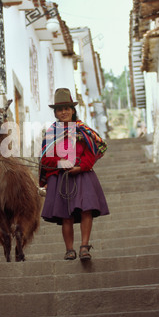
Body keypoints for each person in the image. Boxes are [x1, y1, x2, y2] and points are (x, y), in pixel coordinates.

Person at [40, 88, 110, 261]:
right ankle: (69, 249)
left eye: (67, 108)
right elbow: (45, 159)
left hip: (82, 175)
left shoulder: (82, 130)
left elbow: (91, 152)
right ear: (55, 112)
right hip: (60, 178)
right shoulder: (51, 133)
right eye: (60, 109)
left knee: (86, 210)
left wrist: (81, 167)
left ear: (72, 110)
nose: (64, 112)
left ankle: (84, 247)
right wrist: (61, 163)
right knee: (66, 214)